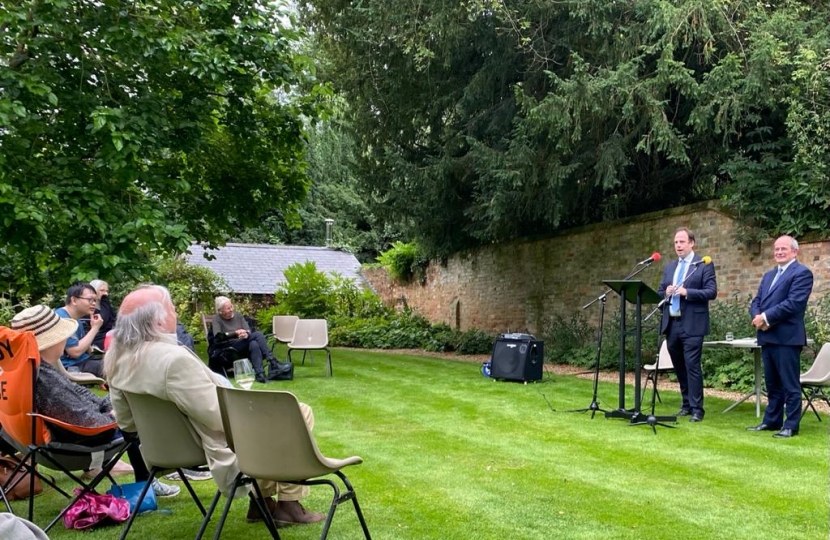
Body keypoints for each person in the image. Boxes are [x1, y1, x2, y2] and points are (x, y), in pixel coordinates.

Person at [104, 285, 324, 525]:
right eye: (172, 309)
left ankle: (263, 503)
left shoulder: (117, 359)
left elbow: (127, 423)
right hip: (205, 447)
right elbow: (219, 418)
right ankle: (288, 503)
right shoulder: (173, 360)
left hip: (160, 451)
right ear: (158, 321)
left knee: (280, 418)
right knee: (295, 412)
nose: (176, 314)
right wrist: (256, 408)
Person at [9, 305, 180, 497]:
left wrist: (108, 405)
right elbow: (85, 420)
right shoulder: (46, 381)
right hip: (81, 444)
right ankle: (151, 479)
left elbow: (77, 392)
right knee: (138, 418)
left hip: (46, 446)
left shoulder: (29, 371)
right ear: (52, 341)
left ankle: (151, 476)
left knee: (126, 403)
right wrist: (113, 417)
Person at [748, 235, 814, 438]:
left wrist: (766, 318)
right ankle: (772, 421)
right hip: (767, 337)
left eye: (783, 249)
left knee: (789, 384)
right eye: (776, 249)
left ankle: (791, 425)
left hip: (787, 338)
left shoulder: (802, 273)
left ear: (795, 251)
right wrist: (757, 317)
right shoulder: (768, 275)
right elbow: (756, 300)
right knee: (773, 385)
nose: (778, 252)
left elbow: (794, 303)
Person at [657, 227, 717, 422]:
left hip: (692, 324)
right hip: (672, 323)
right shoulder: (670, 267)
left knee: (692, 366)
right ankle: (686, 405)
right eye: (676, 242)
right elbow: (659, 292)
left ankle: (697, 409)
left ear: (692, 243)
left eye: (682, 242)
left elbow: (711, 292)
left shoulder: (703, 265)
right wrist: (666, 292)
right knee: (679, 367)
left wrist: (686, 292)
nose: (678, 246)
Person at [213, 296, 289, 383]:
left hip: (244, 343)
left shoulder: (238, 316)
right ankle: (273, 362)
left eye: (231, 307)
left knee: (254, 344)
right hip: (229, 348)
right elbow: (218, 336)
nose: (231, 309)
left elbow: (247, 329)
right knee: (258, 335)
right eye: (228, 308)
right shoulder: (217, 319)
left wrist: (246, 334)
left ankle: (260, 374)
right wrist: (235, 333)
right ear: (220, 310)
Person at [55, 282, 105, 377]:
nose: (94, 303)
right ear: (74, 300)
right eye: (90, 300)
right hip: (72, 366)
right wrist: (95, 328)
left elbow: (88, 350)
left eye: (95, 300)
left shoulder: (75, 318)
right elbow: (75, 352)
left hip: (83, 360)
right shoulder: (63, 319)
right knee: (115, 367)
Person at [89, 279, 116, 350]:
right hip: (95, 340)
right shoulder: (89, 307)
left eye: (106, 291)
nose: (105, 294)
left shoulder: (104, 305)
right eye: (102, 290)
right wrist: (105, 300)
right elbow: (103, 321)